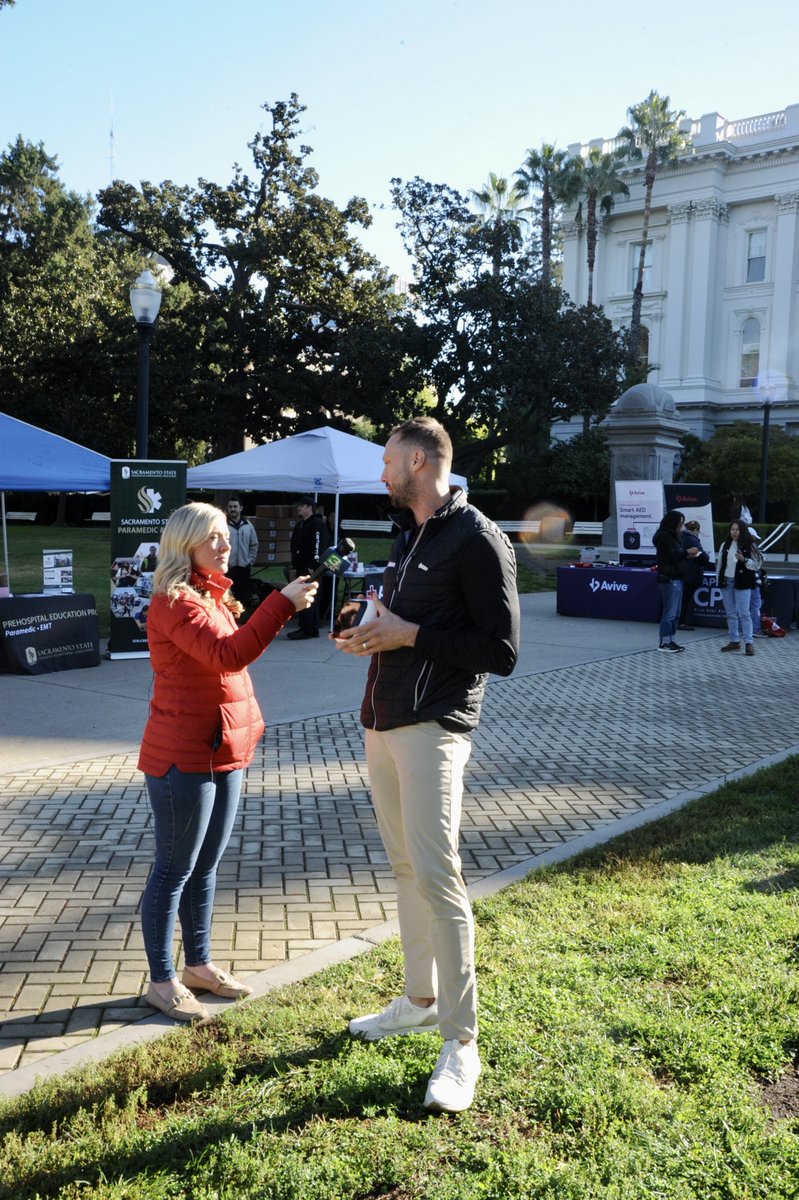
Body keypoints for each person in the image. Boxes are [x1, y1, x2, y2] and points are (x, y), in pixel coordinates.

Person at [334, 416, 520, 1113]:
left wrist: (407, 632)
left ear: (417, 461)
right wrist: (366, 622)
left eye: (387, 461)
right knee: (406, 868)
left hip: (433, 729)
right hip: (380, 722)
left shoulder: (476, 537)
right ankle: (418, 1000)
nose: (380, 472)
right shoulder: (407, 534)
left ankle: (461, 1043)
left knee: (439, 877)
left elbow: (500, 651)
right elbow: (401, 620)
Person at [138, 502, 317, 1022]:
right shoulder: (174, 601)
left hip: (224, 751)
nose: (225, 545)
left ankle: (198, 965)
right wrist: (280, 604)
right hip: (184, 754)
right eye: (213, 538)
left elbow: (230, 653)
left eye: (225, 536)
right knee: (173, 870)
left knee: (205, 867)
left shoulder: (212, 595)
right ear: (184, 544)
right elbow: (227, 656)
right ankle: (162, 980)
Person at [653, 510, 700, 653]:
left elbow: (675, 556)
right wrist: (686, 553)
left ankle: (671, 639)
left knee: (676, 613)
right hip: (669, 578)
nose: (682, 526)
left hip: (677, 577)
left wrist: (686, 556)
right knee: (670, 612)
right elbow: (669, 556)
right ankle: (665, 642)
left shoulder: (674, 535)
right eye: (680, 523)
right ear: (673, 522)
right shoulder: (665, 536)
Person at [716, 519, 762, 656]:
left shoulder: (750, 545)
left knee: (744, 613)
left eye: (737, 529)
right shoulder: (725, 545)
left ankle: (749, 642)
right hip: (727, 582)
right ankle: (734, 640)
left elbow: (757, 564)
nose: (734, 532)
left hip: (742, 582)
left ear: (742, 531)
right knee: (730, 613)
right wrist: (718, 578)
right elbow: (720, 564)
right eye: (732, 529)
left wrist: (745, 560)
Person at [287, 496, 330, 640]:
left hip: (311, 568)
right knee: (305, 596)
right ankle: (308, 626)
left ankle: (309, 628)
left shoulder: (317, 524)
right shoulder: (302, 524)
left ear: (310, 508)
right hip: (301, 566)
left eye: (302, 505)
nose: (299, 508)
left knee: (309, 597)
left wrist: (314, 565)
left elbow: (319, 545)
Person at [225, 496, 259, 606]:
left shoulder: (248, 526)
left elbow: (254, 544)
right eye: (230, 507)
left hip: (244, 567)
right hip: (228, 567)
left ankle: (240, 619)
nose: (233, 509)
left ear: (241, 508)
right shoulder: (223, 525)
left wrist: (250, 561)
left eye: (235, 506)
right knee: (227, 596)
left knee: (242, 596)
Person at [677, 520, 709, 631]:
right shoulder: (693, 540)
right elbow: (703, 557)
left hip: (681, 572)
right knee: (685, 600)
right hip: (690, 573)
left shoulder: (680, 536)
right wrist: (706, 556)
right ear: (695, 530)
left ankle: (677, 621)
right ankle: (681, 622)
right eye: (698, 531)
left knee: (680, 599)